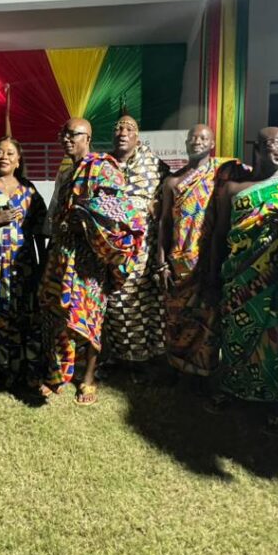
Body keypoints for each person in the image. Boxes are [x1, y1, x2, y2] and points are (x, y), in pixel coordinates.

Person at [207, 128, 278, 416]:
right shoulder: (233, 189)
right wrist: (212, 277)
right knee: (237, 334)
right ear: (256, 148)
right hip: (240, 277)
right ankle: (235, 388)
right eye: (272, 143)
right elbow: (219, 234)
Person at [39, 118, 144, 405]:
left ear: (88, 138)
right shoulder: (67, 171)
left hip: (90, 259)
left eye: (73, 134)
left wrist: (84, 219)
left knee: (91, 317)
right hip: (63, 254)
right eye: (63, 134)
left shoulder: (103, 167)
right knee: (59, 314)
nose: (66, 139)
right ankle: (58, 373)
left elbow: (117, 211)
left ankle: (88, 378)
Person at [160, 124, 236, 375]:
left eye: (203, 138)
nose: (197, 141)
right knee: (176, 318)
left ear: (212, 144)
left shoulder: (223, 174)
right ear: (186, 143)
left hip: (207, 259)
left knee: (207, 318)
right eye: (192, 137)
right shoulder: (173, 181)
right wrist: (161, 262)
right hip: (179, 262)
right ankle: (176, 367)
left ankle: (203, 372)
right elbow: (164, 222)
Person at [0, 137, 47, 389]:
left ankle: (21, 369)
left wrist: (42, 265)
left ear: (19, 161)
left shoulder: (29, 190)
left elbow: (39, 230)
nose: (3, 157)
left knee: (21, 313)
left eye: (10, 153)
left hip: (21, 266)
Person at [102, 115, 170, 371]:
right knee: (116, 303)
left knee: (147, 304)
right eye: (118, 128)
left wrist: (159, 204)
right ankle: (122, 357)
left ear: (138, 136)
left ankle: (148, 358)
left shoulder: (154, 165)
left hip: (145, 251)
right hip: (112, 250)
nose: (123, 132)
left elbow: (169, 195)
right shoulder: (102, 165)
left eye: (129, 128)